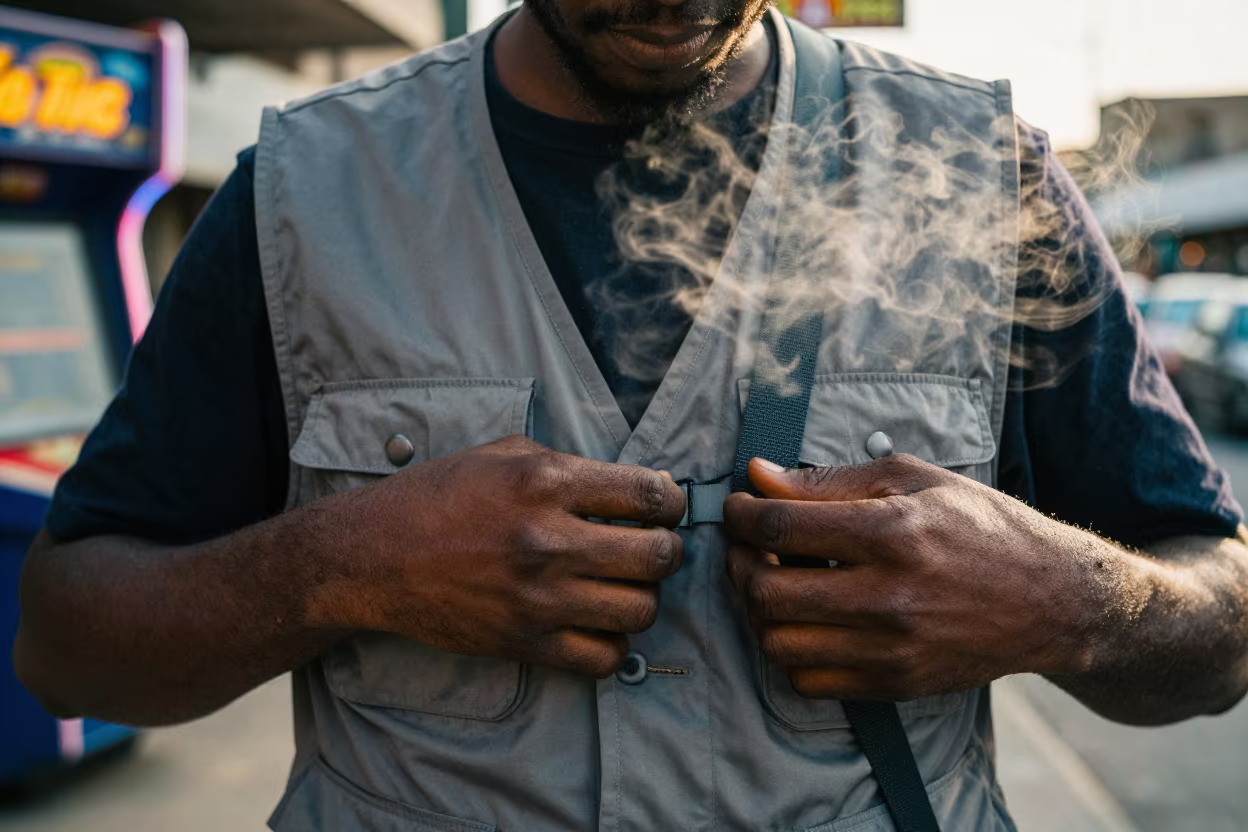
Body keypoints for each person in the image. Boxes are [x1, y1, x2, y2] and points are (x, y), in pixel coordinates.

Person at [13, 0, 1248, 828]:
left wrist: (1066, 602)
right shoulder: (305, 193)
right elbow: (69, 639)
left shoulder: (987, 170)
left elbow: (1222, 622)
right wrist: (344, 566)